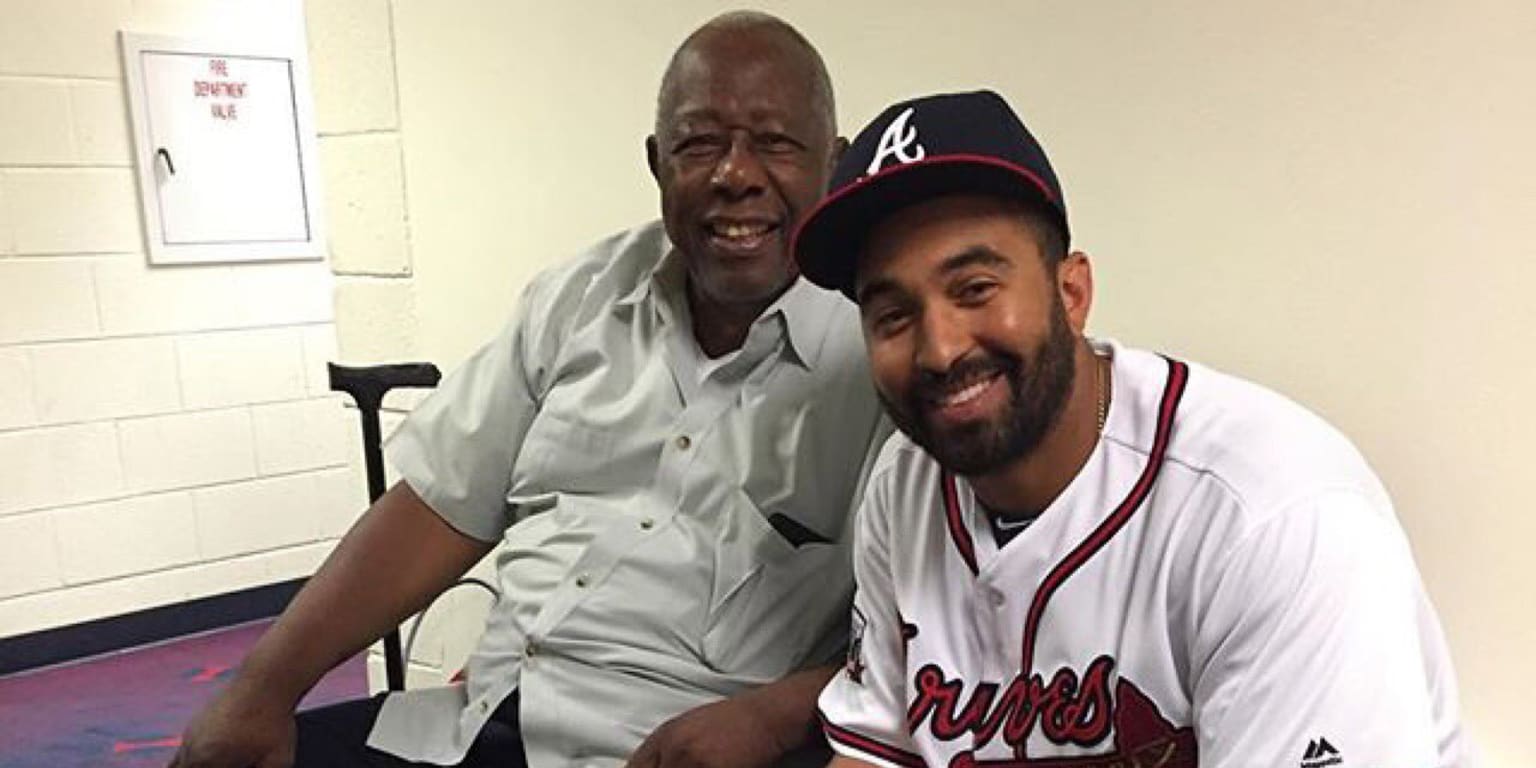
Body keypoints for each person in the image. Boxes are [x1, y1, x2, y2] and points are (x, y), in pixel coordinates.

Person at [171, 12, 889, 768]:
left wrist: (775, 720)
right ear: (657, 163)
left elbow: (936, 636)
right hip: (480, 722)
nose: (735, 174)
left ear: (834, 165)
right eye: (698, 143)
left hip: (678, 744)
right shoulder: (578, 299)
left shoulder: (884, 353)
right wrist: (263, 687)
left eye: (775, 142)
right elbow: (438, 503)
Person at [791, 90, 1471, 767]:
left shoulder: (1273, 513)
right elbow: (877, 754)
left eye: (974, 289)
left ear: (1071, 293)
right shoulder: (904, 485)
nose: (938, 349)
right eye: (893, 316)